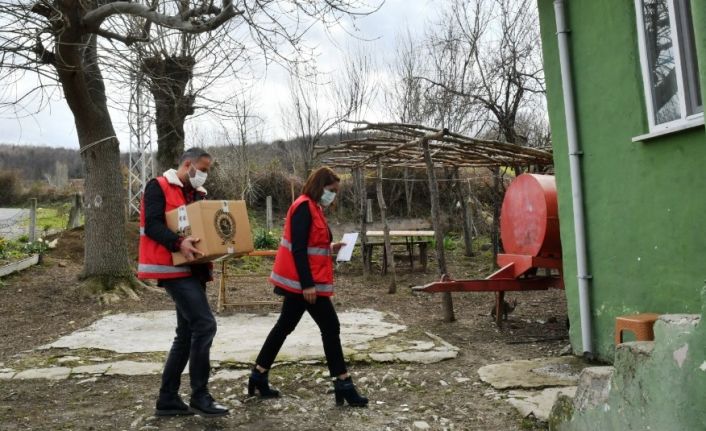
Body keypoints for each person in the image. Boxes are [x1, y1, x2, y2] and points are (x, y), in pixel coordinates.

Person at [248, 167, 368, 407]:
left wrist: (332, 247)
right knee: (330, 327)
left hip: (305, 283)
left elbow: (312, 244)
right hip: (305, 285)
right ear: (320, 186)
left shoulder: (314, 208)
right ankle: (343, 384)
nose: (333, 195)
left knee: (285, 326)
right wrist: (308, 285)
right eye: (331, 190)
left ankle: (258, 375)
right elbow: (299, 249)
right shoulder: (304, 207)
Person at [138, 148, 229, 417]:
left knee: (187, 332)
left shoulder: (197, 194)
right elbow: (153, 225)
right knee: (205, 325)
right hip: (171, 269)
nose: (205, 175)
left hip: (194, 270)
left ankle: (167, 398)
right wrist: (179, 243)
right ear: (188, 165)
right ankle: (200, 396)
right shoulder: (159, 187)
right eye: (203, 169)